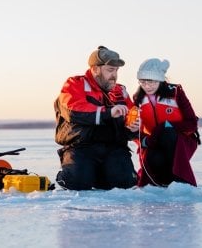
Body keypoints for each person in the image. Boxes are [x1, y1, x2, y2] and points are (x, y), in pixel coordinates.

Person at [54, 46, 139, 190]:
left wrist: (133, 127)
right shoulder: (75, 84)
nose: (114, 75)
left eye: (116, 70)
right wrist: (108, 112)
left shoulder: (120, 90)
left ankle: (101, 175)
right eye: (110, 70)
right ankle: (73, 173)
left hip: (114, 148)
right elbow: (73, 110)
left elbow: (131, 114)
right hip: (81, 146)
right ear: (95, 69)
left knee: (126, 184)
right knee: (77, 183)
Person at [133, 58, 201, 187]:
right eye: (142, 81)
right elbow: (137, 131)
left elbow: (192, 124)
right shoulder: (138, 99)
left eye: (151, 81)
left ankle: (181, 183)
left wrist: (166, 126)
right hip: (153, 142)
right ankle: (160, 183)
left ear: (160, 79)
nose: (147, 86)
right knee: (154, 158)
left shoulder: (176, 93)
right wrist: (141, 140)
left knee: (167, 134)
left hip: (180, 140)